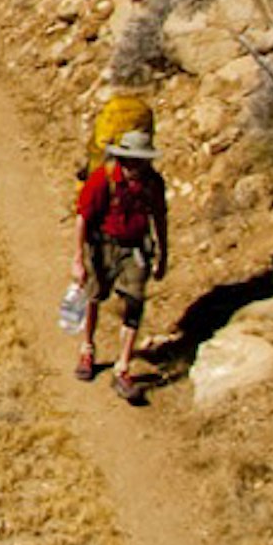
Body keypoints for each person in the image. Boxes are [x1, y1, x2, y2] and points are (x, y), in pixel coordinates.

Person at [73, 127, 168, 403]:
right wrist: (78, 258)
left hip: (136, 247)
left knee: (135, 301)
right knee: (94, 295)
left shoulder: (152, 184)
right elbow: (83, 218)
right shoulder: (103, 179)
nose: (134, 167)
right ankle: (87, 348)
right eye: (131, 161)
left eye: (140, 161)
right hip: (103, 246)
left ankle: (123, 366)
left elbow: (159, 218)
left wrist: (163, 254)